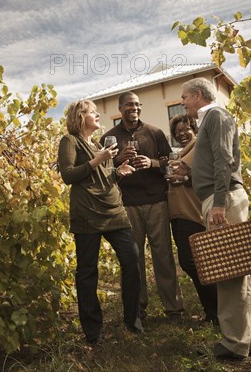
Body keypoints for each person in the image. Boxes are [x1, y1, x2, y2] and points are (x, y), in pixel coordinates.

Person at [181, 77, 251, 360]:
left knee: (227, 272)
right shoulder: (211, 119)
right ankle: (249, 339)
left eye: (185, 97)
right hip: (220, 198)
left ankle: (234, 344)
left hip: (222, 200)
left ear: (199, 95)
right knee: (237, 270)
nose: (183, 102)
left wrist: (218, 202)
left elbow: (224, 158)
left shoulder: (216, 115)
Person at [57, 99, 143, 344]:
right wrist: (98, 159)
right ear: (80, 116)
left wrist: (118, 171)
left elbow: (102, 175)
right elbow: (68, 175)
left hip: (114, 211)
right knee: (87, 272)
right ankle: (93, 331)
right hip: (87, 213)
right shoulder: (70, 141)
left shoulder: (96, 143)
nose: (98, 115)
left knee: (132, 259)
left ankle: (132, 320)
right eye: (93, 112)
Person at [101, 91, 184, 321]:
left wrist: (152, 163)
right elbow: (103, 171)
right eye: (129, 105)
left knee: (164, 256)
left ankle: (173, 308)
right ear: (120, 109)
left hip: (157, 201)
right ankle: (137, 308)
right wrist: (118, 160)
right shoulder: (109, 138)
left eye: (137, 104)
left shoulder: (154, 132)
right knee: (133, 259)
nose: (134, 108)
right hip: (127, 205)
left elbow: (171, 164)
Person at [166, 114, 218, 324]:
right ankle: (212, 312)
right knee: (194, 264)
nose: (181, 134)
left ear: (194, 129)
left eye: (186, 129)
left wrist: (185, 179)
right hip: (179, 214)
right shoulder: (181, 154)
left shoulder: (199, 148)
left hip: (193, 213)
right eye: (177, 132)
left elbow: (209, 175)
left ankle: (216, 311)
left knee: (193, 263)